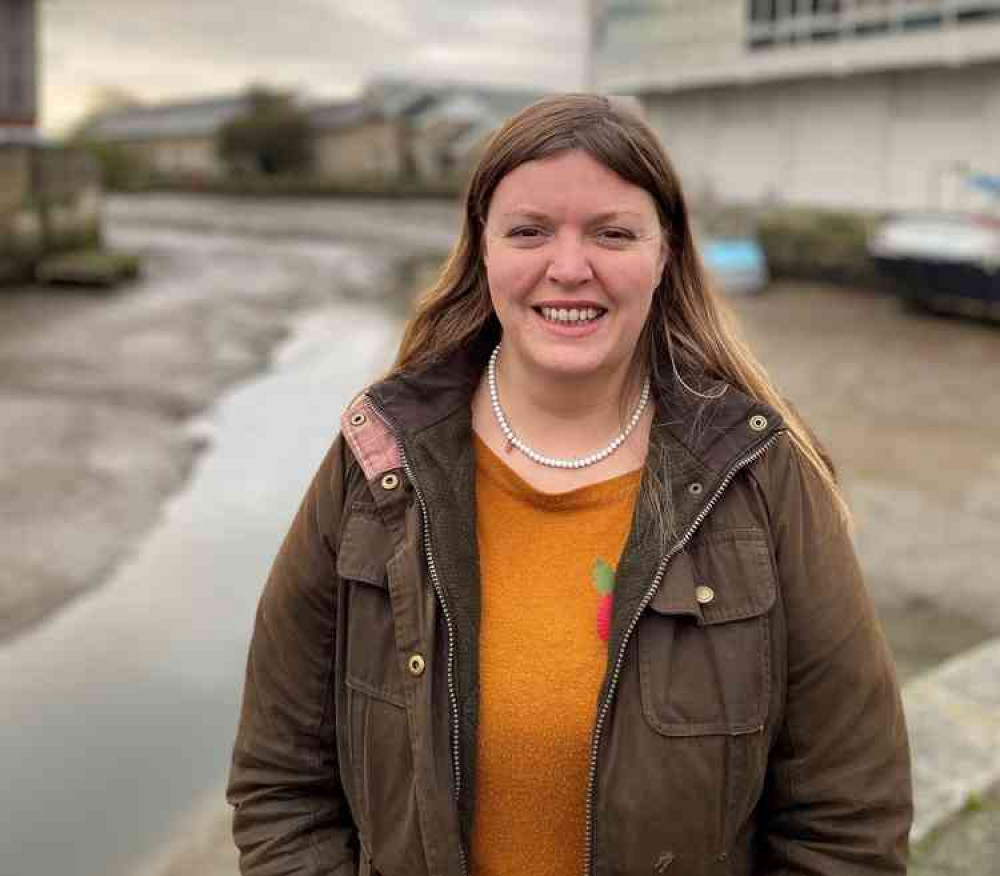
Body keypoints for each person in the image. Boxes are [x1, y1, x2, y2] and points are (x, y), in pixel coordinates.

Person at [226, 94, 912, 876]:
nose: (569, 267)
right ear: (481, 249)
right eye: (529, 231)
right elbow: (281, 783)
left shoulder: (760, 474)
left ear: (665, 254)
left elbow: (850, 819)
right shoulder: (380, 457)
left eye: (613, 233)